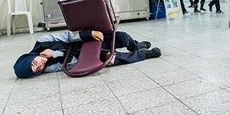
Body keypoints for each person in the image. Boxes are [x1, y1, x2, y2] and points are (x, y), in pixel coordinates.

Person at [13, 30, 162, 78]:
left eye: (34, 63)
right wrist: (54, 54)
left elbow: (68, 36)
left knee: (123, 37)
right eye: (38, 69)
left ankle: (136, 46)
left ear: (29, 58)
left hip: (88, 39)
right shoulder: (48, 67)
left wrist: (89, 33)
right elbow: (72, 62)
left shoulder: (42, 41)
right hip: (85, 53)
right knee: (110, 58)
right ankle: (144, 54)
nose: (40, 64)